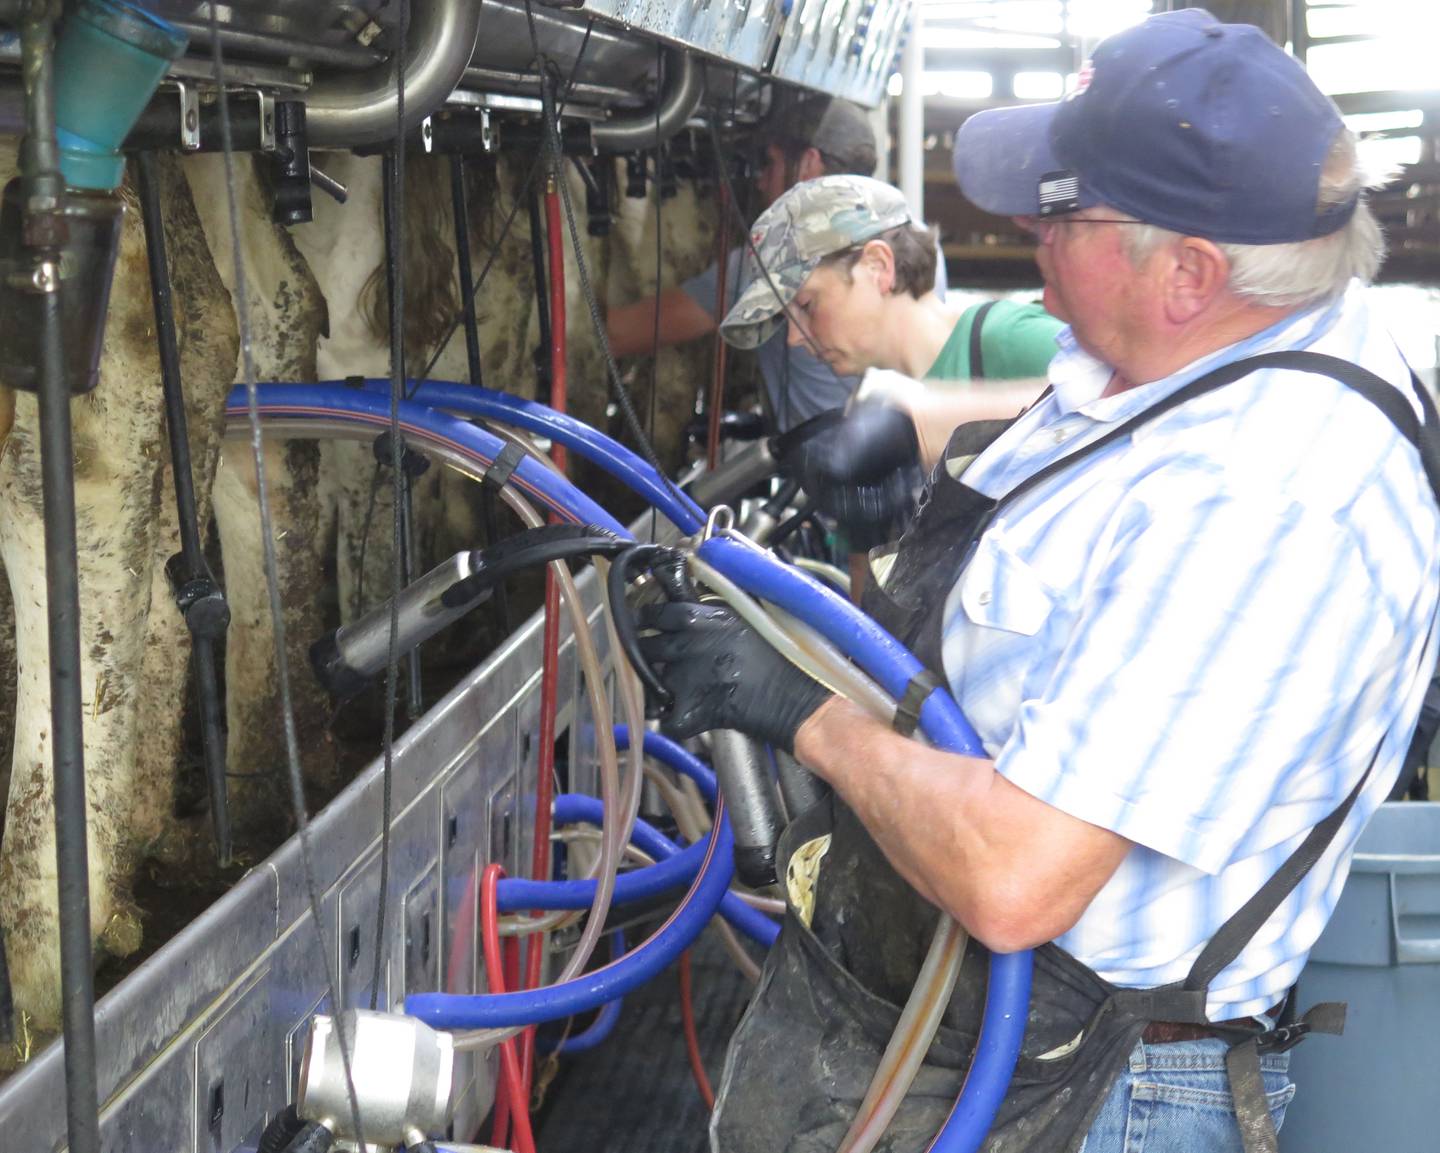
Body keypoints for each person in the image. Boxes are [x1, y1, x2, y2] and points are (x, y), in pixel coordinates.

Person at [638, 10, 1440, 1153]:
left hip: (1094, 1092)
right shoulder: (1238, 342)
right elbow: (1130, 455)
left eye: (1064, 211)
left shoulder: (1271, 504)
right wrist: (926, 438)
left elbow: (1018, 875)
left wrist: (800, 711)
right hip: (988, 1032)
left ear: (1190, 272)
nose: (1025, 226)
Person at [718, 172, 1063, 546]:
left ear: (877, 267)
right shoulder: (867, 416)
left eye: (806, 304)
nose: (795, 338)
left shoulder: (1008, 340)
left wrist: (920, 420)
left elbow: (1127, 403)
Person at [605, 96, 882, 431]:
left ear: (808, 164)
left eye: (771, 164)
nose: (761, 181)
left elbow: (618, 336)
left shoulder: (772, 261)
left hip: (824, 471)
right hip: (894, 461)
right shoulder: (909, 242)